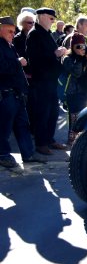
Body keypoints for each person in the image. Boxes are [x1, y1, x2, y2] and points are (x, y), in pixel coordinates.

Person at [0, 16, 46, 168]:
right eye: (9, 31)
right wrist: (17, 62)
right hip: (6, 93)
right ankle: (3, 155)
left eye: (14, 31)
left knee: (22, 125)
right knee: (4, 127)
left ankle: (28, 154)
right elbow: (2, 68)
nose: (13, 34)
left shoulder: (9, 45)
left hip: (17, 93)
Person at [26, 7, 68, 155]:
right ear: (42, 16)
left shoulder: (46, 34)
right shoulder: (35, 34)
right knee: (42, 113)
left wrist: (59, 53)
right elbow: (35, 59)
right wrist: (55, 53)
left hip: (51, 80)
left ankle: (49, 139)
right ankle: (41, 143)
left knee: (53, 112)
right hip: (41, 81)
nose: (53, 21)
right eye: (51, 18)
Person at [62, 33, 87, 145]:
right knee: (75, 120)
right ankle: (73, 144)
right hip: (74, 94)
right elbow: (77, 73)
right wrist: (79, 58)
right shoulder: (67, 59)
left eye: (83, 46)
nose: (81, 49)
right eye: (78, 46)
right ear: (72, 47)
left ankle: (85, 142)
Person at [13, 11, 36, 133]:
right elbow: (18, 57)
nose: (32, 24)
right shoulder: (17, 39)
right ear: (22, 23)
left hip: (35, 75)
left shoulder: (34, 36)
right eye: (29, 22)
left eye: (33, 22)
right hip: (24, 75)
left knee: (34, 104)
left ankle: (32, 128)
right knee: (25, 104)